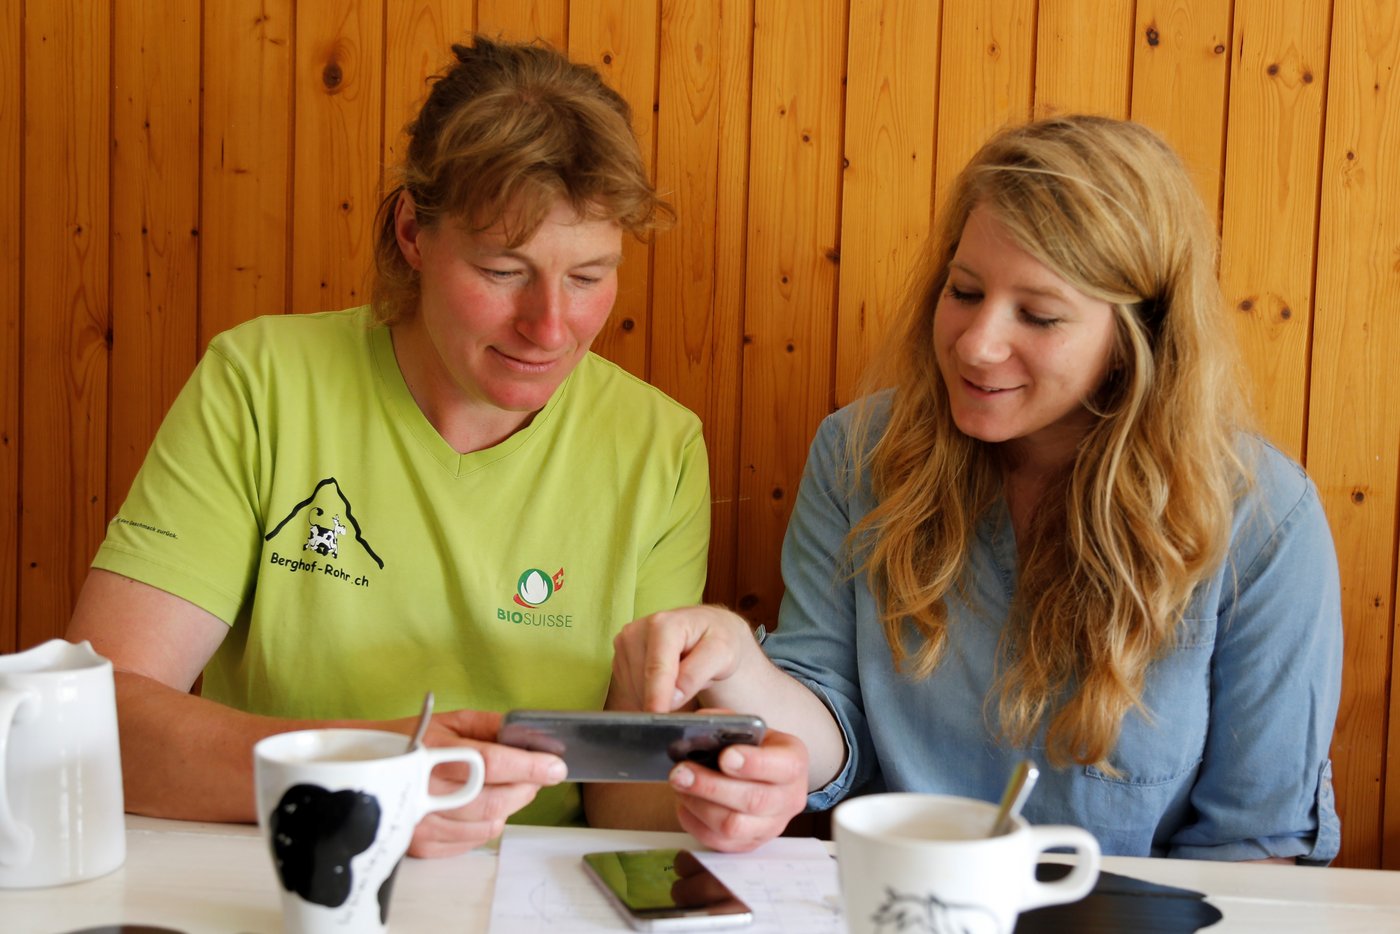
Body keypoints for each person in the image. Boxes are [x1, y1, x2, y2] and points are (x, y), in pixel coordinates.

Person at [594, 114, 1344, 863]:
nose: (978, 344)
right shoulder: (858, 455)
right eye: (964, 291)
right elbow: (827, 724)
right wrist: (741, 668)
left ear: (1134, 340)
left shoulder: (1265, 520)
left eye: (1039, 315)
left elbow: (1258, 842)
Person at [65, 35, 711, 857]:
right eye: (504, 271)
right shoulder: (262, 383)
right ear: (412, 232)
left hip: (538, 895)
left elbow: (624, 802)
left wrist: (717, 797)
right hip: (289, 871)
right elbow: (93, 719)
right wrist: (365, 776)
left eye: (587, 277)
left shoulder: (660, 446)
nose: (550, 328)